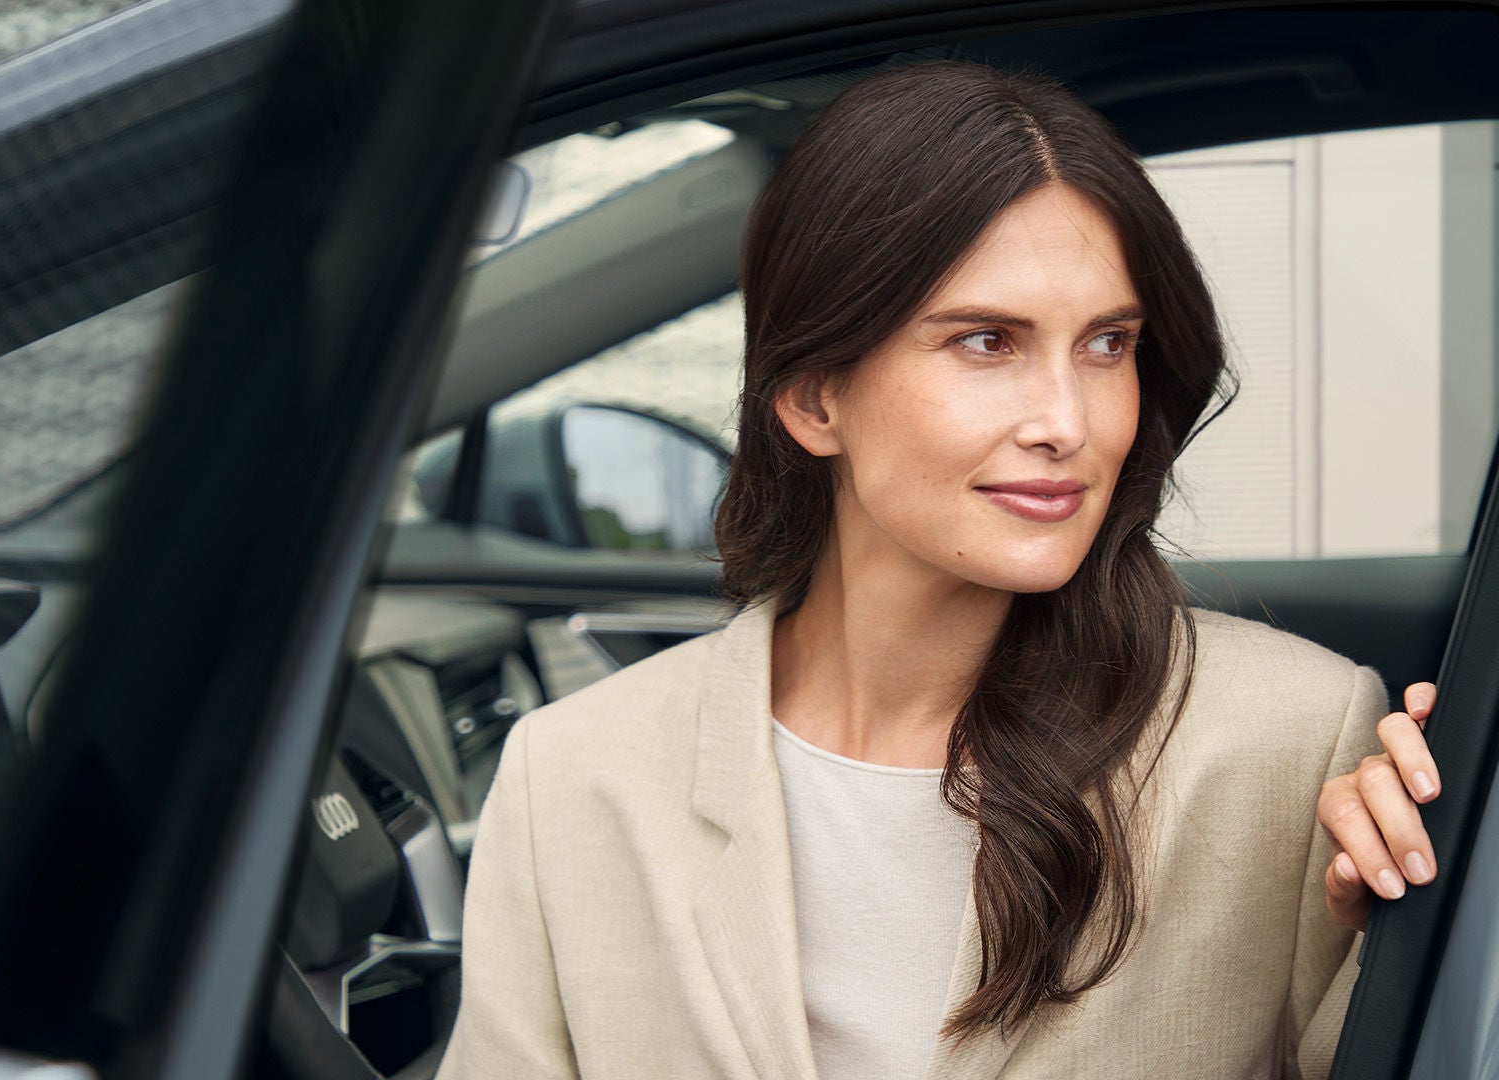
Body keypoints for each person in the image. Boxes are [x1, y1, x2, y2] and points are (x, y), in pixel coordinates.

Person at [436, 58, 1442, 1080]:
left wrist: (1408, 928)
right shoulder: (572, 778)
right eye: (988, 341)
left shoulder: (1295, 741)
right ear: (814, 398)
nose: (1069, 423)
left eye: (1107, 345)